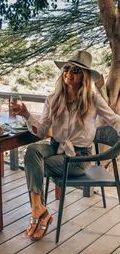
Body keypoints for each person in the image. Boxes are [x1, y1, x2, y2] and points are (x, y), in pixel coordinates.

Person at [11, 50, 120, 241]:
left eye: (76, 70)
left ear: (84, 76)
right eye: (66, 68)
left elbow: (114, 119)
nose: (69, 72)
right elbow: (43, 131)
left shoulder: (92, 99)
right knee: (32, 151)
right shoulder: (53, 98)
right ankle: (38, 209)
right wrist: (27, 115)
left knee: (36, 163)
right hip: (56, 147)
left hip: (79, 158)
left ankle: (38, 212)